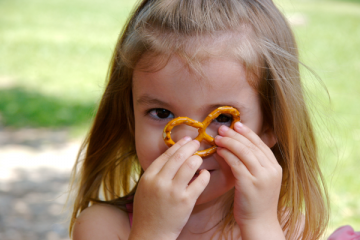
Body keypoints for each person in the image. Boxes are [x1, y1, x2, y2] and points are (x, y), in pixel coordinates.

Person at [68, 0, 330, 239]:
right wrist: (153, 233)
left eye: (223, 117)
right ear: (130, 117)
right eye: (162, 113)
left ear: (270, 126)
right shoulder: (103, 228)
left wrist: (259, 226)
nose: (188, 141)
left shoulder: (290, 230)